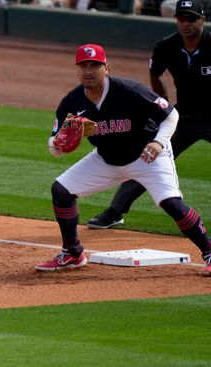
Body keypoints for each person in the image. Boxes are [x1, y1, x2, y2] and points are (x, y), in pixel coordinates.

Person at [37, 43, 211, 274]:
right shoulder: (72, 103)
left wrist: (159, 142)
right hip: (106, 159)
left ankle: (209, 251)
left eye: (95, 65)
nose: (89, 71)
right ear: (77, 70)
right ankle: (72, 253)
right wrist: (57, 144)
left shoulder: (130, 90)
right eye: (84, 66)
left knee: (171, 204)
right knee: (61, 190)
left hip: (147, 157)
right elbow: (54, 143)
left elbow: (171, 114)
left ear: (106, 67)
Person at [86, 0, 211, 229]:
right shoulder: (166, 46)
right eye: (181, 18)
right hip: (183, 117)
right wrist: (163, 105)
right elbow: (156, 72)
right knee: (149, 157)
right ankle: (115, 212)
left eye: (191, 18)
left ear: (202, 20)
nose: (186, 23)